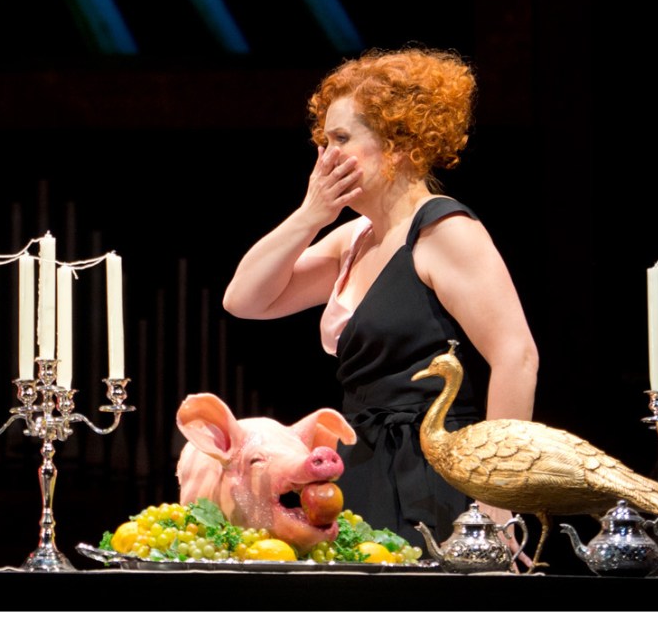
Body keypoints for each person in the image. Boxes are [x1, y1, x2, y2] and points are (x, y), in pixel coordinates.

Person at [221, 47, 537, 538]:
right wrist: (309, 216)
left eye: (342, 138)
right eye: (323, 141)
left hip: (430, 471)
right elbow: (244, 300)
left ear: (398, 143)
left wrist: (497, 497)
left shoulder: (443, 231)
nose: (326, 157)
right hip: (360, 465)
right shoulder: (354, 238)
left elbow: (517, 356)